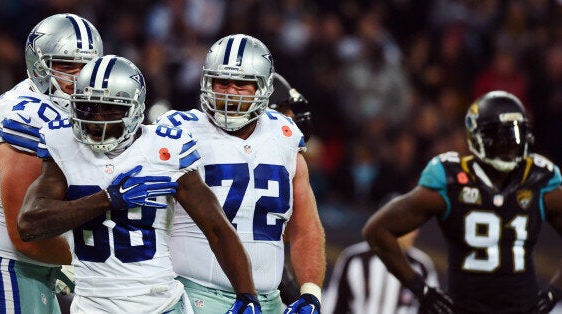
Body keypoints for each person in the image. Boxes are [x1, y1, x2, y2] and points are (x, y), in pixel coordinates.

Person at [17, 55, 260, 313]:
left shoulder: (165, 148)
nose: (98, 119)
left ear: (135, 110)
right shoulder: (61, 141)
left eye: (111, 109)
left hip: (160, 303)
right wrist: (107, 200)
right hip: (92, 306)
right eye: (89, 107)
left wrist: (247, 294)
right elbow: (29, 224)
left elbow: (217, 228)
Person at [155, 34, 326, 313]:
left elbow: (305, 226)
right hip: (192, 294)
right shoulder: (178, 132)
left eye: (241, 84)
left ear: (264, 88)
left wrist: (310, 292)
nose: (229, 92)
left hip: (268, 300)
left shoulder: (285, 135)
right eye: (221, 82)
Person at [0, 13, 103, 313]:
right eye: (66, 66)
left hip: (33, 272)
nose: (78, 77)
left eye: (86, 66)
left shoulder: (69, 110)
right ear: (40, 66)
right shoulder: (26, 118)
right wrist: (97, 258)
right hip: (3, 272)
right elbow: (27, 233)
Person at [362, 90, 562, 313]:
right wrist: (419, 288)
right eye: (500, 137)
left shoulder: (538, 180)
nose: (510, 145)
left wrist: (556, 291)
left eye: (515, 135)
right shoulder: (452, 180)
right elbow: (377, 230)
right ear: (477, 137)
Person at [323, 229, 438, 314]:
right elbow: (335, 303)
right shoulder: (355, 258)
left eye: (417, 227)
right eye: (409, 226)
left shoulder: (421, 265)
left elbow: (432, 308)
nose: (414, 233)